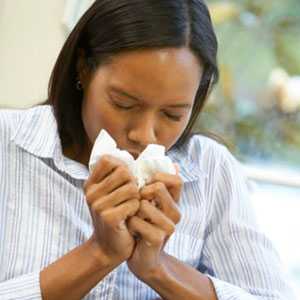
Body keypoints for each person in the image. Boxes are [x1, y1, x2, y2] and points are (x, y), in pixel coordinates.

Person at [0, 1, 295, 299]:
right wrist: (98, 255)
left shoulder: (212, 172)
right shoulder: (7, 145)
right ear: (84, 69)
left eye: (172, 115)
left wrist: (159, 268)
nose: (144, 136)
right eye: (123, 103)